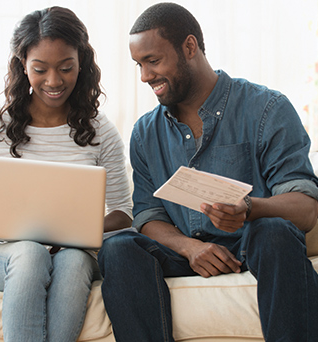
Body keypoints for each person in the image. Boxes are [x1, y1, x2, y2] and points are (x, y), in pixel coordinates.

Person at [98, 3, 318, 342]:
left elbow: (305, 208)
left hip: (254, 245)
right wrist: (188, 247)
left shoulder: (267, 109)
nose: (144, 76)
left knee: (274, 232)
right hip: (185, 252)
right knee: (119, 247)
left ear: (189, 47)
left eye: (153, 61)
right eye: (139, 65)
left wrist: (249, 209)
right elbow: (148, 215)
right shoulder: (145, 133)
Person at [0, 6, 133, 342]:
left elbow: (124, 214)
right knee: (30, 252)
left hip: (74, 253)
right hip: (3, 255)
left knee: (73, 262)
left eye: (66, 68)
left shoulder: (101, 131)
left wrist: (71, 230)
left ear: (82, 62)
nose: (54, 81)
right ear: (22, 65)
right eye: (40, 69)